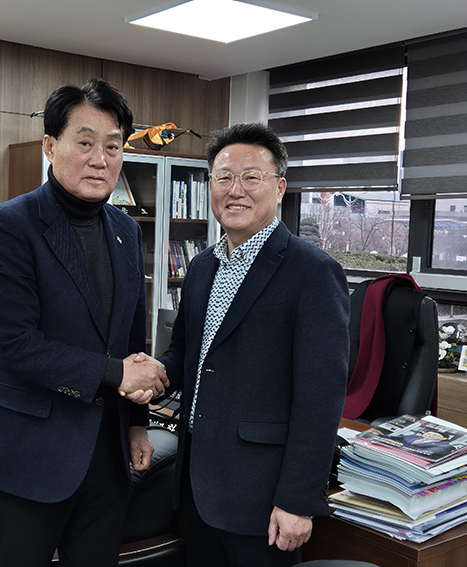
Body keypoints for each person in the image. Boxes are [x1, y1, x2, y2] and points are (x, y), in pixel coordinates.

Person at [0, 78, 169, 567]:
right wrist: (119, 374)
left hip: (106, 450)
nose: (100, 159)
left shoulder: (125, 231)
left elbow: (131, 335)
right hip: (28, 450)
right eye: (85, 142)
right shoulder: (7, 226)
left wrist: (137, 424)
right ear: (50, 146)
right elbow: (17, 344)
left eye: (113, 146)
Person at [144, 122, 350, 566]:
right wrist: (153, 372)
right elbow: (186, 352)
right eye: (223, 177)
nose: (235, 190)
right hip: (198, 486)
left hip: (263, 497)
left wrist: (298, 500)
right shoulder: (202, 267)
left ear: (279, 188)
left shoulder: (313, 273)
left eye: (251, 177)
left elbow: (320, 399)